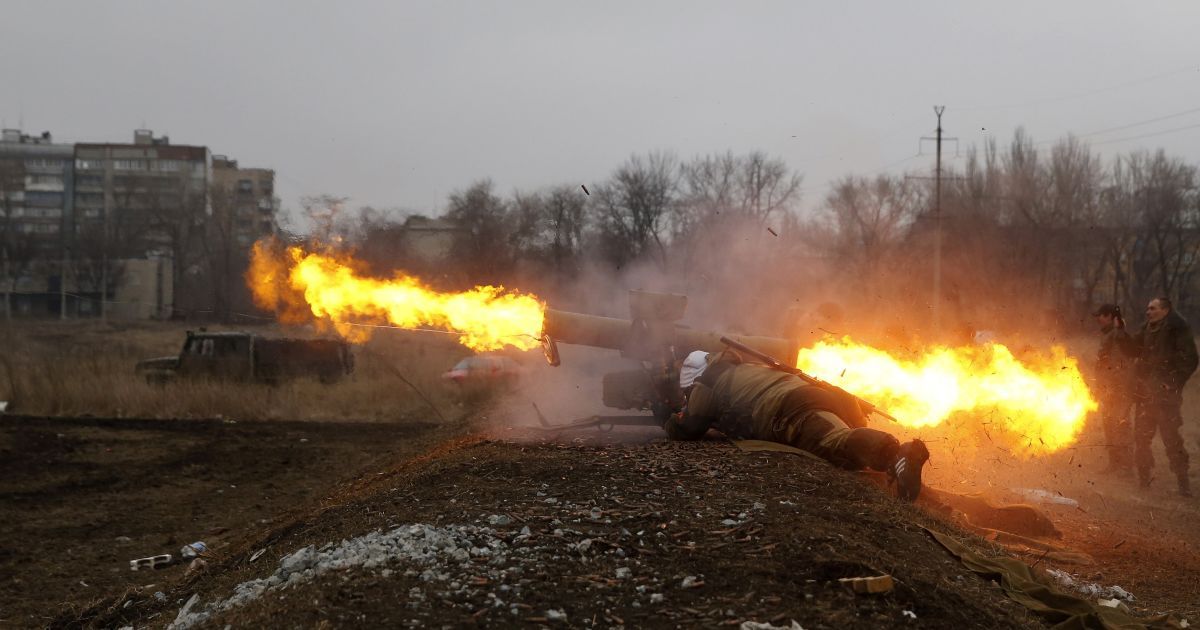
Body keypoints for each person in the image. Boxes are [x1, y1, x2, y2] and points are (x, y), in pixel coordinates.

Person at [663, 349, 930, 501]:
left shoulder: (708, 381)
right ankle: (895, 470)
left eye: (688, 391)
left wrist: (672, 418)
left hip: (792, 409)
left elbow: (688, 427)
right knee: (844, 448)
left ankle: (898, 454)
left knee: (836, 440)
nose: (689, 395)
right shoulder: (745, 368)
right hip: (809, 398)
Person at [1117, 297, 1198, 496]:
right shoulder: (1149, 328)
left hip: (1165, 399)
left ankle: (1183, 484)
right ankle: (1144, 481)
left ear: (1165, 309)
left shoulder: (1177, 327)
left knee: (1172, 440)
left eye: (1152, 308)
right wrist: (1120, 332)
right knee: (1141, 439)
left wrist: (1172, 383)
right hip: (1146, 396)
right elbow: (1132, 349)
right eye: (1147, 308)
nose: (1148, 312)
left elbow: (1190, 358)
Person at [1092, 304, 1134, 474]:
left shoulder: (1117, 335)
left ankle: (1126, 466)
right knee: (1109, 426)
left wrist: (1112, 388)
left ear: (1109, 316)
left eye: (1100, 315)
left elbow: (1119, 365)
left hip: (1119, 390)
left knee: (1121, 427)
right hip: (1109, 389)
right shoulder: (1108, 334)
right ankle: (1114, 464)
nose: (1097, 319)